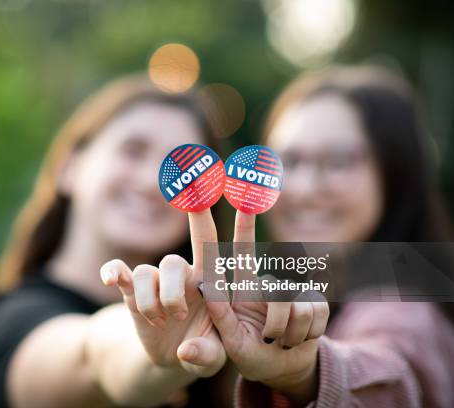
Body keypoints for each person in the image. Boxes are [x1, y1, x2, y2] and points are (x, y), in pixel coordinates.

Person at [109, 64, 454, 408]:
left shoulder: (405, 309)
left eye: (337, 161)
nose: (304, 189)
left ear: (396, 175)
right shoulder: (261, 299)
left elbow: (395, 374)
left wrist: (310, 374)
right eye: (286, 161)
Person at [0, 74, 239, 408]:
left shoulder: (215, 344)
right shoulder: (2, 324)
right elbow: (93, 356)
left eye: (185, 167)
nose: (150, 182)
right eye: (132, 151)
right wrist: (153, 358)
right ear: (70, 166)